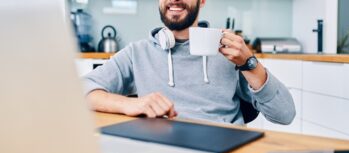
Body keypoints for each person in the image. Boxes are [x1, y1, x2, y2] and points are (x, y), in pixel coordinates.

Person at [83, 0, 296, 125]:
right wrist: (131, 104)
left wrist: (249, 63)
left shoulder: (230, 53)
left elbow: (285, 115)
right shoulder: (137, 53)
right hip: (165, 152)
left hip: (227, 151)